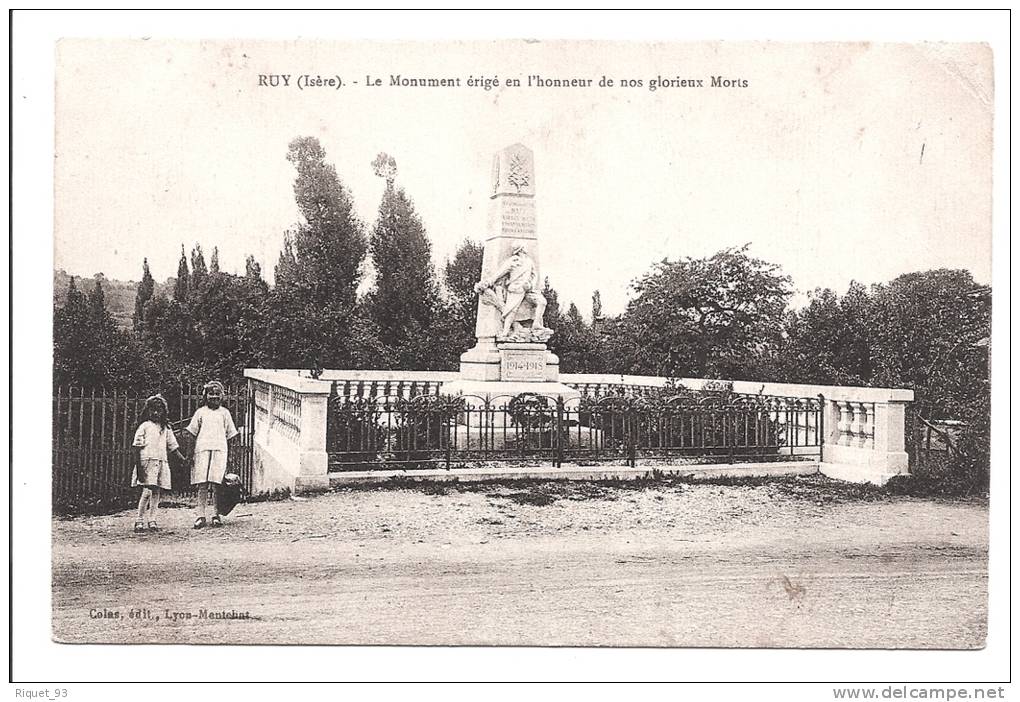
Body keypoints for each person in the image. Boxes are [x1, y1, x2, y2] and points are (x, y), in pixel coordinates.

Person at [186, 381, 239, 529]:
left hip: (220, 451)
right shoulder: (200, 412)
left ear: (222, 396)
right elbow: (191, 433)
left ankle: (216, 515)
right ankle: (200, 515)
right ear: (205, 396)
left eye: (217, 394)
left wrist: (232, 455)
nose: (214, 397)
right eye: (211, 394)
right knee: (202, 484)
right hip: (202, 451)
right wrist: (189, 454)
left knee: (217, 484)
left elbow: (231, 435)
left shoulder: (225, 413)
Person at [131, 394, 186, 533]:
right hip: (147, 462)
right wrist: (139, 468)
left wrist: (184, 460)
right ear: (147, 411)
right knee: (147, 491)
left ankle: (152, 519)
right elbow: (136, 447)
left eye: (159, 410)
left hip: (161, 462)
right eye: (153, 410)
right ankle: (139, 520)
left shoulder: (166, 428)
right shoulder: (144, 426)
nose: (155, 413)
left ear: (163, 412)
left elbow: (173, 446)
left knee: (156, 492)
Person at [474, 241, 548, 339]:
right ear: (521, 249)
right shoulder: (512, 261)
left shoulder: (529, 261)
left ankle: (536, 324)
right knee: (511, 310)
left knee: (542, 302)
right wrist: (488, 282)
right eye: (524, 247)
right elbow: (499, 273)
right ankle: (505, 332)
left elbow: (535, 275)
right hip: (516, 288)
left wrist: (530, 285)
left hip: (528, 289)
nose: (526, 248)